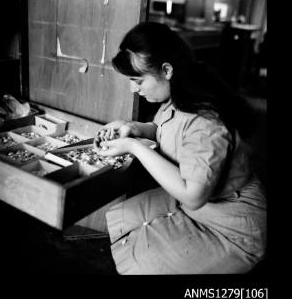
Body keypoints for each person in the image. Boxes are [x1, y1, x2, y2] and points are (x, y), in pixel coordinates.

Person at [94, 22, 266, 274]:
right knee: (123, 216)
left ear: (166, 70)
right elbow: (165, 129)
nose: (133, 88)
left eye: (137, 80)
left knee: (144, 262)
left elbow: (193, 196)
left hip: (233, 227)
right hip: (203, 204)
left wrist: (134, 146)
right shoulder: (180, 94)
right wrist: (133, 128)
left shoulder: (206, 120)